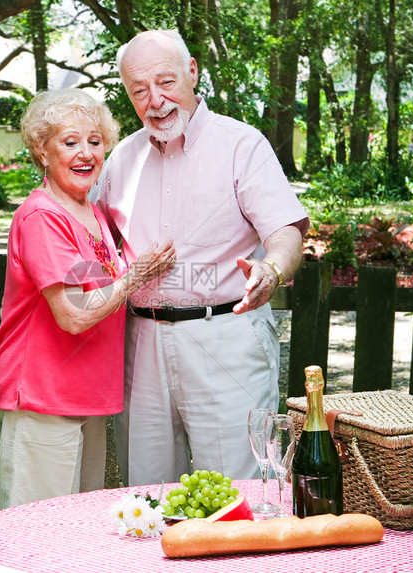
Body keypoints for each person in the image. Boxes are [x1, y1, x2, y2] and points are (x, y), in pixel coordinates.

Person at [90, 30, 309, 487]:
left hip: (225, 334)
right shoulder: (121, 159)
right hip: (141, 342)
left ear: (192, 72)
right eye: (139, 90)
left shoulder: (241, 145)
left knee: (239, 493)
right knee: (146, 493)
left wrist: (271, 269)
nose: (155, 100)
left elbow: (285, 230)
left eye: (166, 82)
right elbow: (88, 236)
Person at [0, 88, 175, 508]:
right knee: (38, 535)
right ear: (41, 150)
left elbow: (95, 286)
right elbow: (73, 313)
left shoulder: (95, 214)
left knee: (80, 531)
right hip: (43, 397)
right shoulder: (42, 217)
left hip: (88, 398)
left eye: (94, 141)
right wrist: (138, 275)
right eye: (69, 142)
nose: (85, 153)